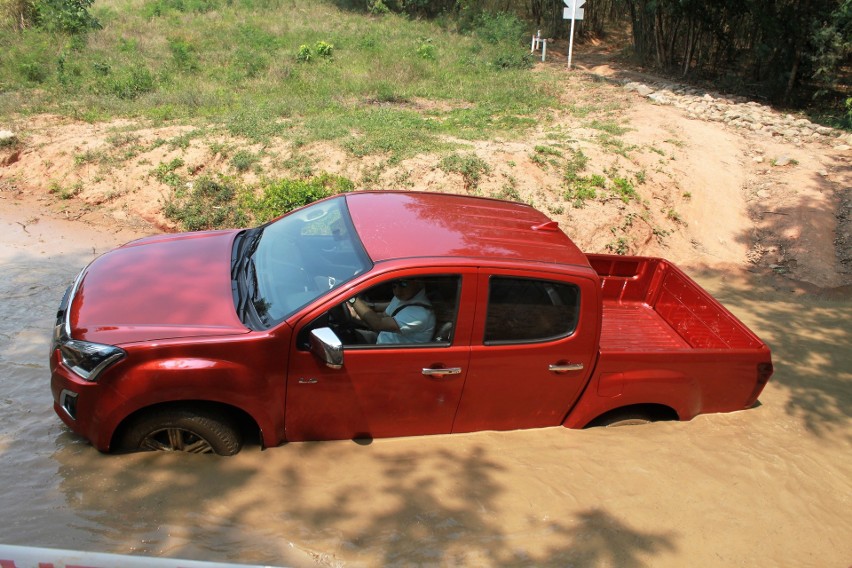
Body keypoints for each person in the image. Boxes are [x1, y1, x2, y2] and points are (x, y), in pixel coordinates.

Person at [348, 279, 435, 344]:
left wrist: (351, 297)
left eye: (403, 284)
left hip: (393, 360)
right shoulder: (405, 298)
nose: (397, 291)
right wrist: (357, 314)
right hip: (382, 342)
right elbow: (383, 315)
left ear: (419, 282)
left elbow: (378, 324)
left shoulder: (419, 313)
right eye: (394, 285)